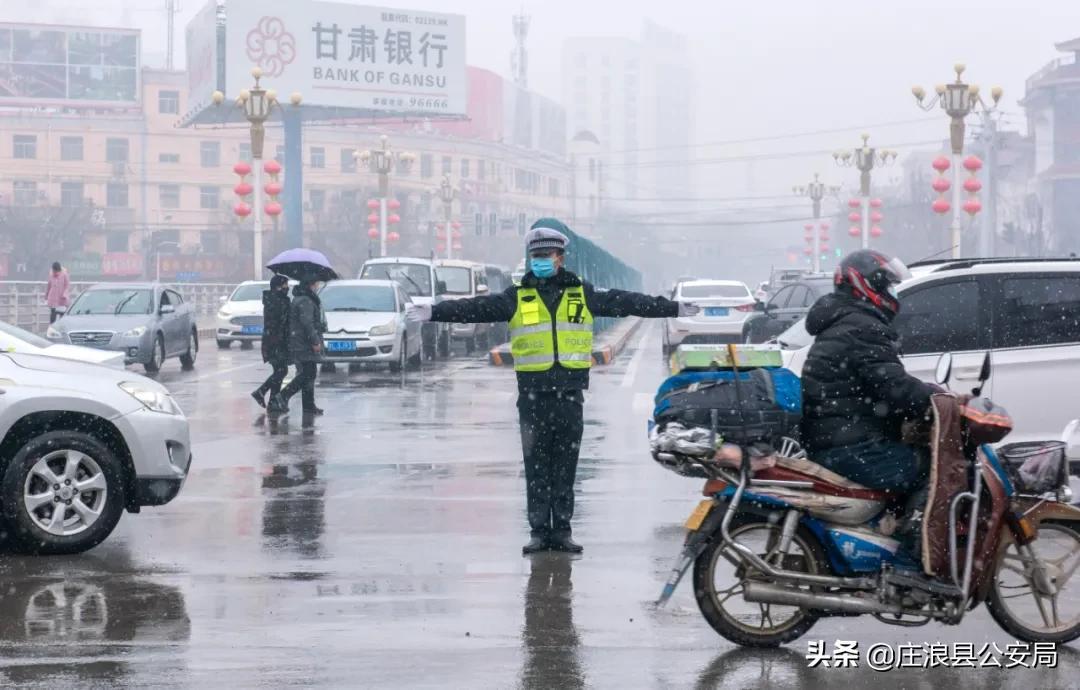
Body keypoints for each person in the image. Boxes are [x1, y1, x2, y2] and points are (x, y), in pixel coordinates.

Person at [407, 218, 699, 555]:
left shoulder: (581, 293)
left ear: (560, 257)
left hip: (570, 395)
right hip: (533, 396)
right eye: (536, 255)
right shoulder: (518, 297)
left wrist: (671, 307)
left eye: (547, 254)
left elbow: (626, 301)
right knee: (535, 467)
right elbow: (475, 308)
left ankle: (561, 530)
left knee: (565, 466)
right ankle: (538, 531)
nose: (541, 260)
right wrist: (433, 312)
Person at [800, 249, 937, 564]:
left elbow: (881, 383)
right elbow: (893, 386)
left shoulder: (844, 320)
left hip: (835, 438)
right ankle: (913, 560)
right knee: (931, 470)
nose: (890, 293)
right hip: (850, 445)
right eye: (885, 285)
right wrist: (934, 399)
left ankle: (886, 538)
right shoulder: (862, 326)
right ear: (866, 285)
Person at [269, 278, 327, 416]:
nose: (317, 286)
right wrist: (315, 341)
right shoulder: (305, 300)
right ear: (310, 285)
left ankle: (308, 406)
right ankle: (282, 397)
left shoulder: (301, 298)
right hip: (304, 344)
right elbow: (307, 323)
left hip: (300, 342)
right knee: (307, 374)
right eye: (316, 283)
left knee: (309, 374)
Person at [251, 275, 291, 408]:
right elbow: (282, 322)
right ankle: (261, 392)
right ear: (279, 286)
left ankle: (273, 402)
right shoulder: (279, 301)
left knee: (279, 371)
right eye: (285, 285)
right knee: (281, 371)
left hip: (271, 340)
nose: (287, 288)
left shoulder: (271, 299)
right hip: (276, 341)